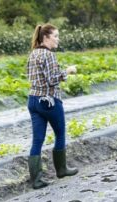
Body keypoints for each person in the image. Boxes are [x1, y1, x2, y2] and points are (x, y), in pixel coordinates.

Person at [27, 24, 78, 189]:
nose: (58, 39)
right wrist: (67, 72)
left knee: (37, 140)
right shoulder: (49, 55)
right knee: (60, 133)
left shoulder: (33, 54)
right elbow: (52, 80)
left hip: (33, 100)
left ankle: (36, 180)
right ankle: (61, 169)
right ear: (46, 37)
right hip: (48, 101)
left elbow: (31, 77)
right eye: (55, 36)